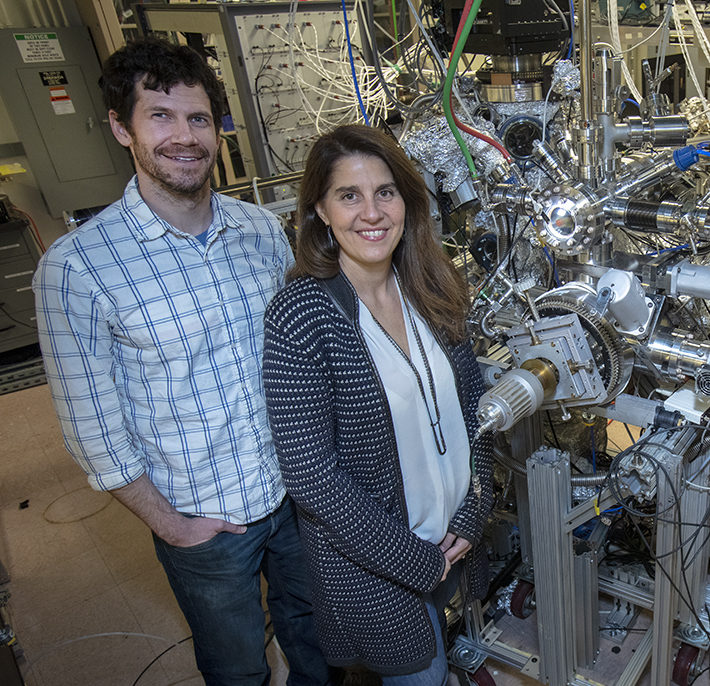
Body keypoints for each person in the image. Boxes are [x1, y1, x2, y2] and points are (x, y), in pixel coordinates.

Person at [33, 38, 332, 685]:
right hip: (203, 520)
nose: (184, 137)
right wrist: (171, 525)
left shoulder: (257, 228)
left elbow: (297, 359)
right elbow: (93, 428)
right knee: (236, 667)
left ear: (218, 129)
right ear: (121, 127)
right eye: (160, 117)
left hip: (294, 494)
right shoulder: (78, 267)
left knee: (316, 639)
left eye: (198, 118)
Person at [261, 124, 494, 682]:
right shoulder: (301, 315)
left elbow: (476, 410)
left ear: (407, 202)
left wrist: (474, 507)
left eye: (385, 192)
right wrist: (417, 561)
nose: (371, 212)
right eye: (349, 195)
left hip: (455, 536)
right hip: (379, 567)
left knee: (456, 648)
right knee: (424, 675)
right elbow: (311, 475)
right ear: (319, 208)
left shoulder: (434, 286)